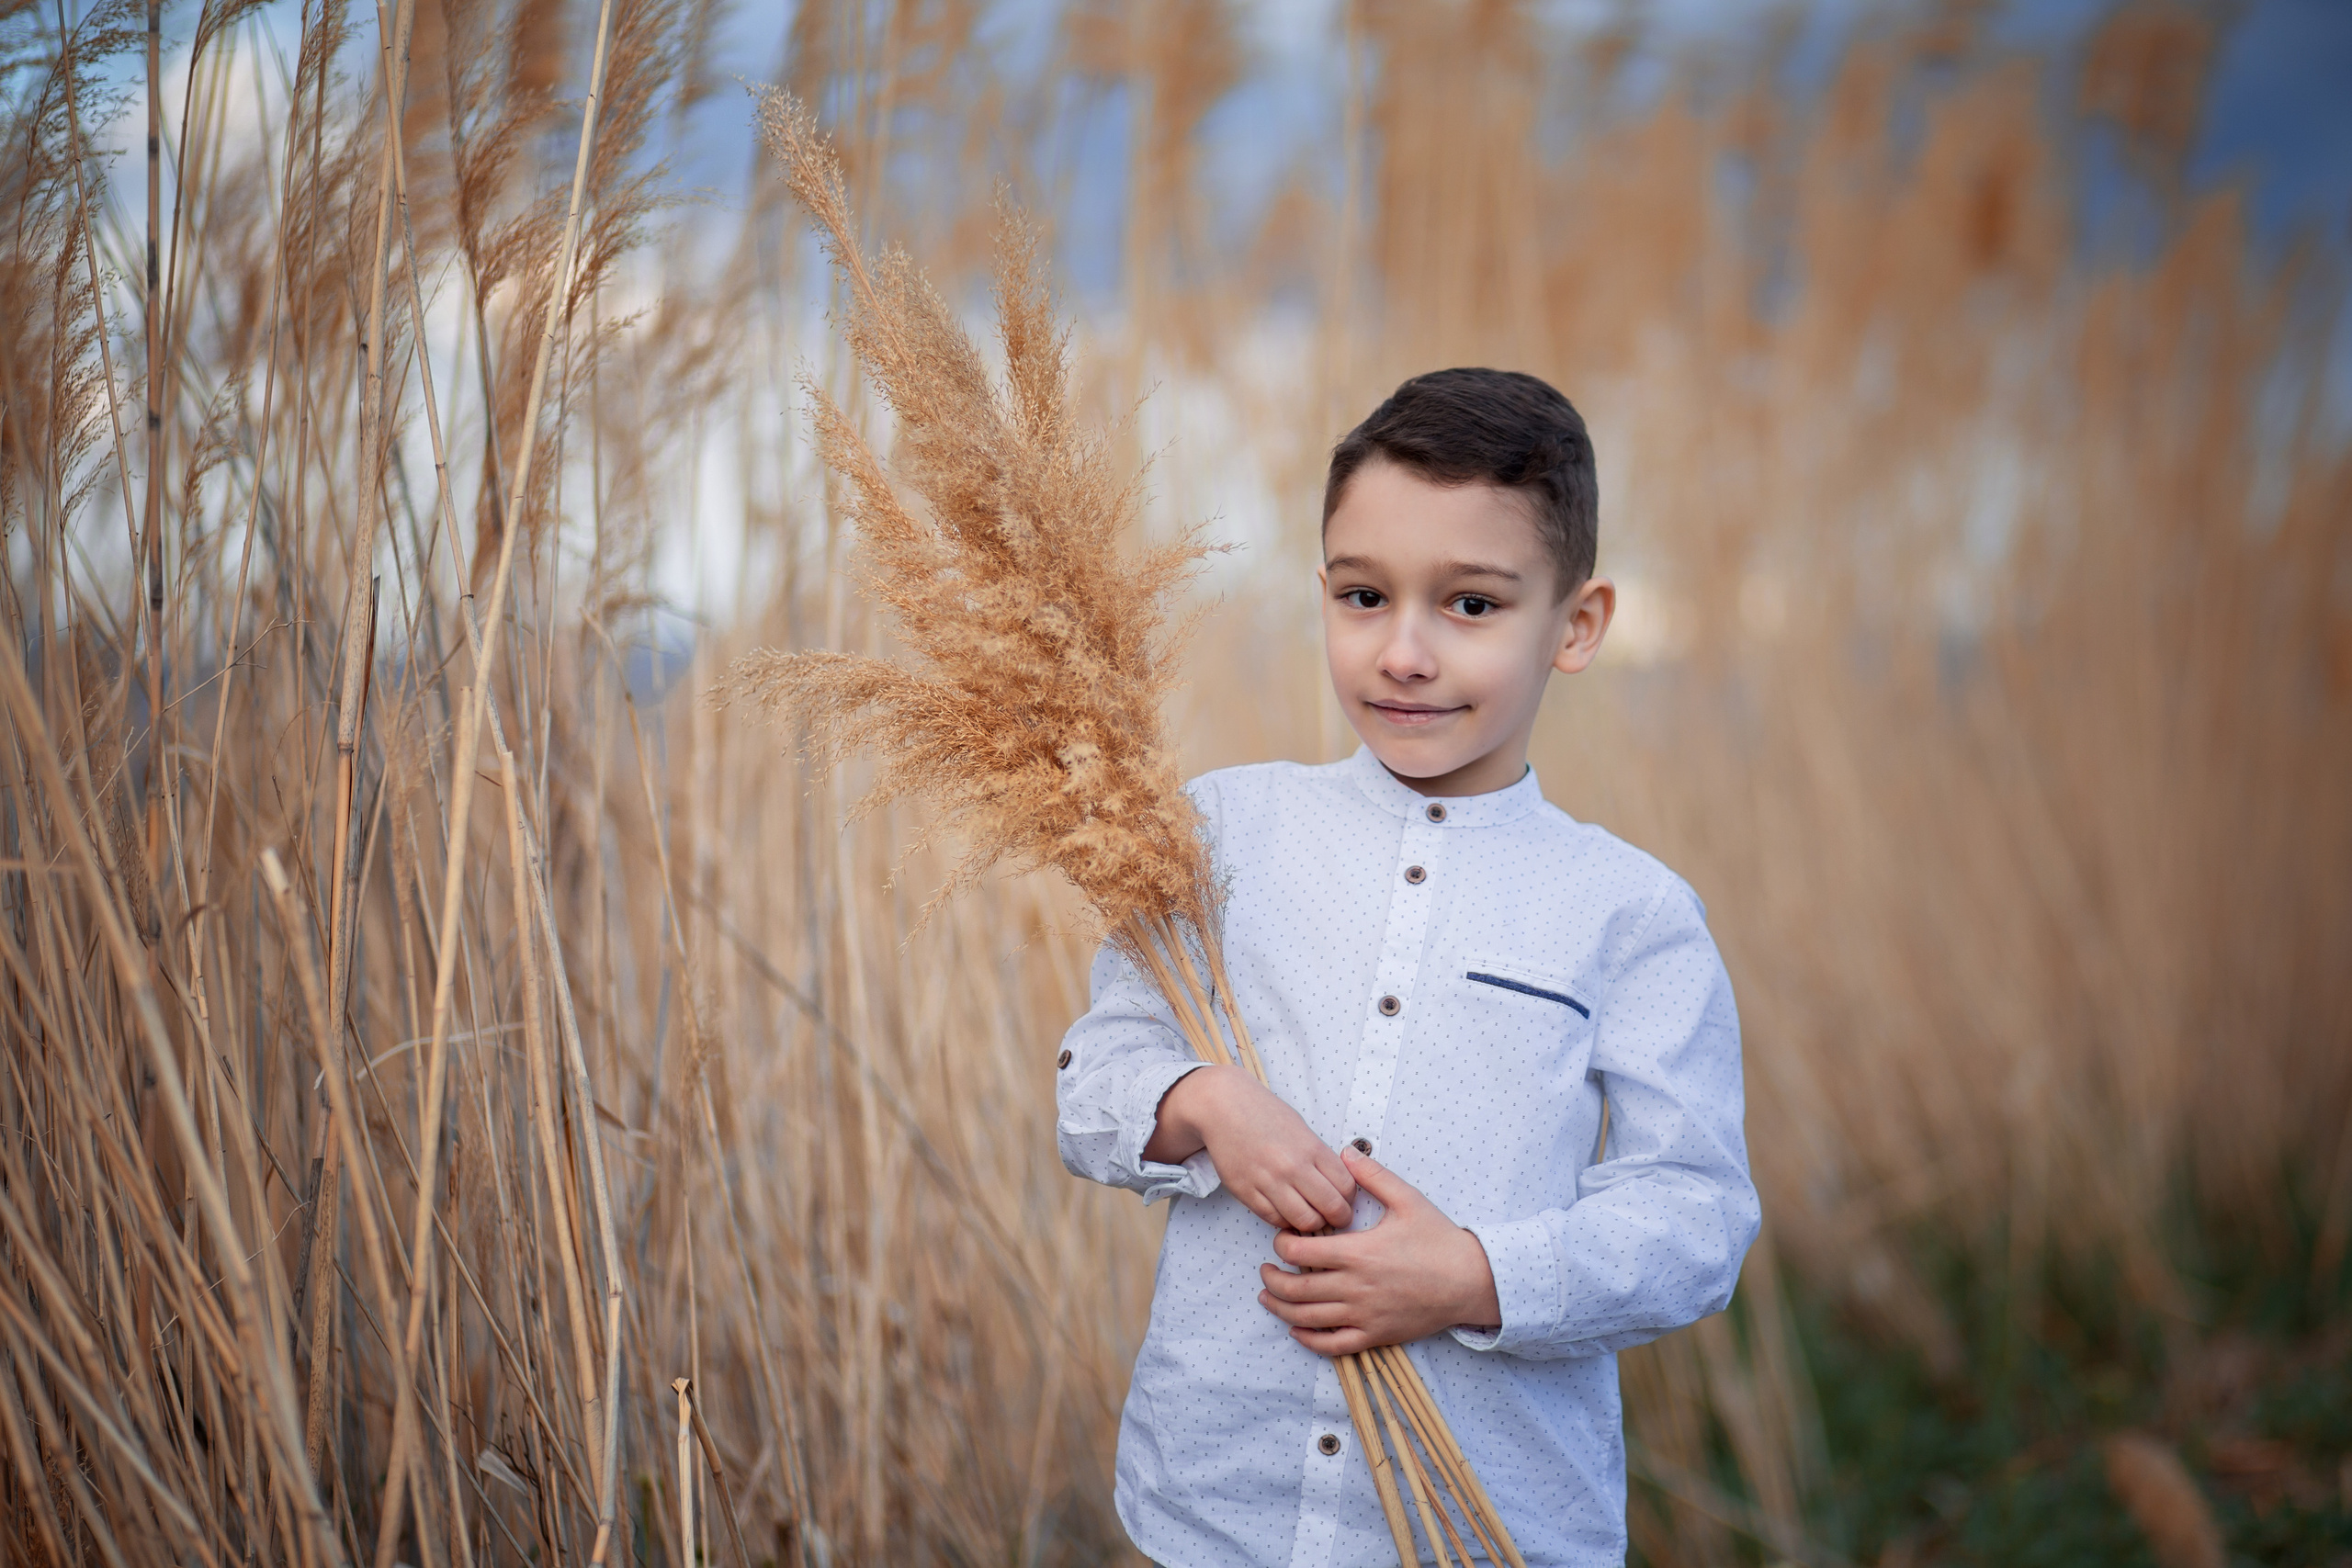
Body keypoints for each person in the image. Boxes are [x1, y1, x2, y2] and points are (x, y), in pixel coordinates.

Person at [1055, 367, 1759, 1568]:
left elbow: (1695, 1216)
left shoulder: (1629, 912)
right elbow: (1092, 1081)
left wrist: (1475, 1276)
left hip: (1485, 1525)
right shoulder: (1219, 834)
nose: (1406, 652)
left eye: (1472, 606)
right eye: (1364, 596)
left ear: (1575, 625)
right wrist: (1203, 1102)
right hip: (1219, 1510)